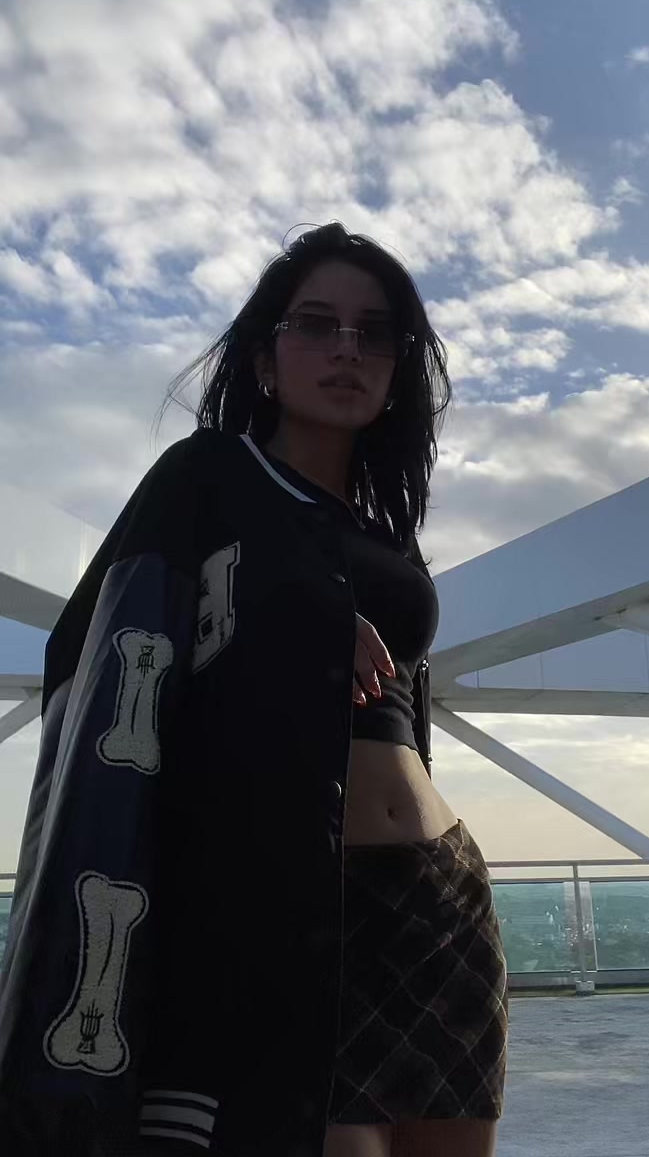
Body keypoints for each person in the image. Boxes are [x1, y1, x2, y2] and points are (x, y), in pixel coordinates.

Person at [0, 221, 508, 1157]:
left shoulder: (385, 534)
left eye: (374, 332)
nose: (347, 348)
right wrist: (294, 622)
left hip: (439, 897)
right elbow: (92, 647)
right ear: (267, 359)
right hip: (287, 902)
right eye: (316, 324)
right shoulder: (207, 476)